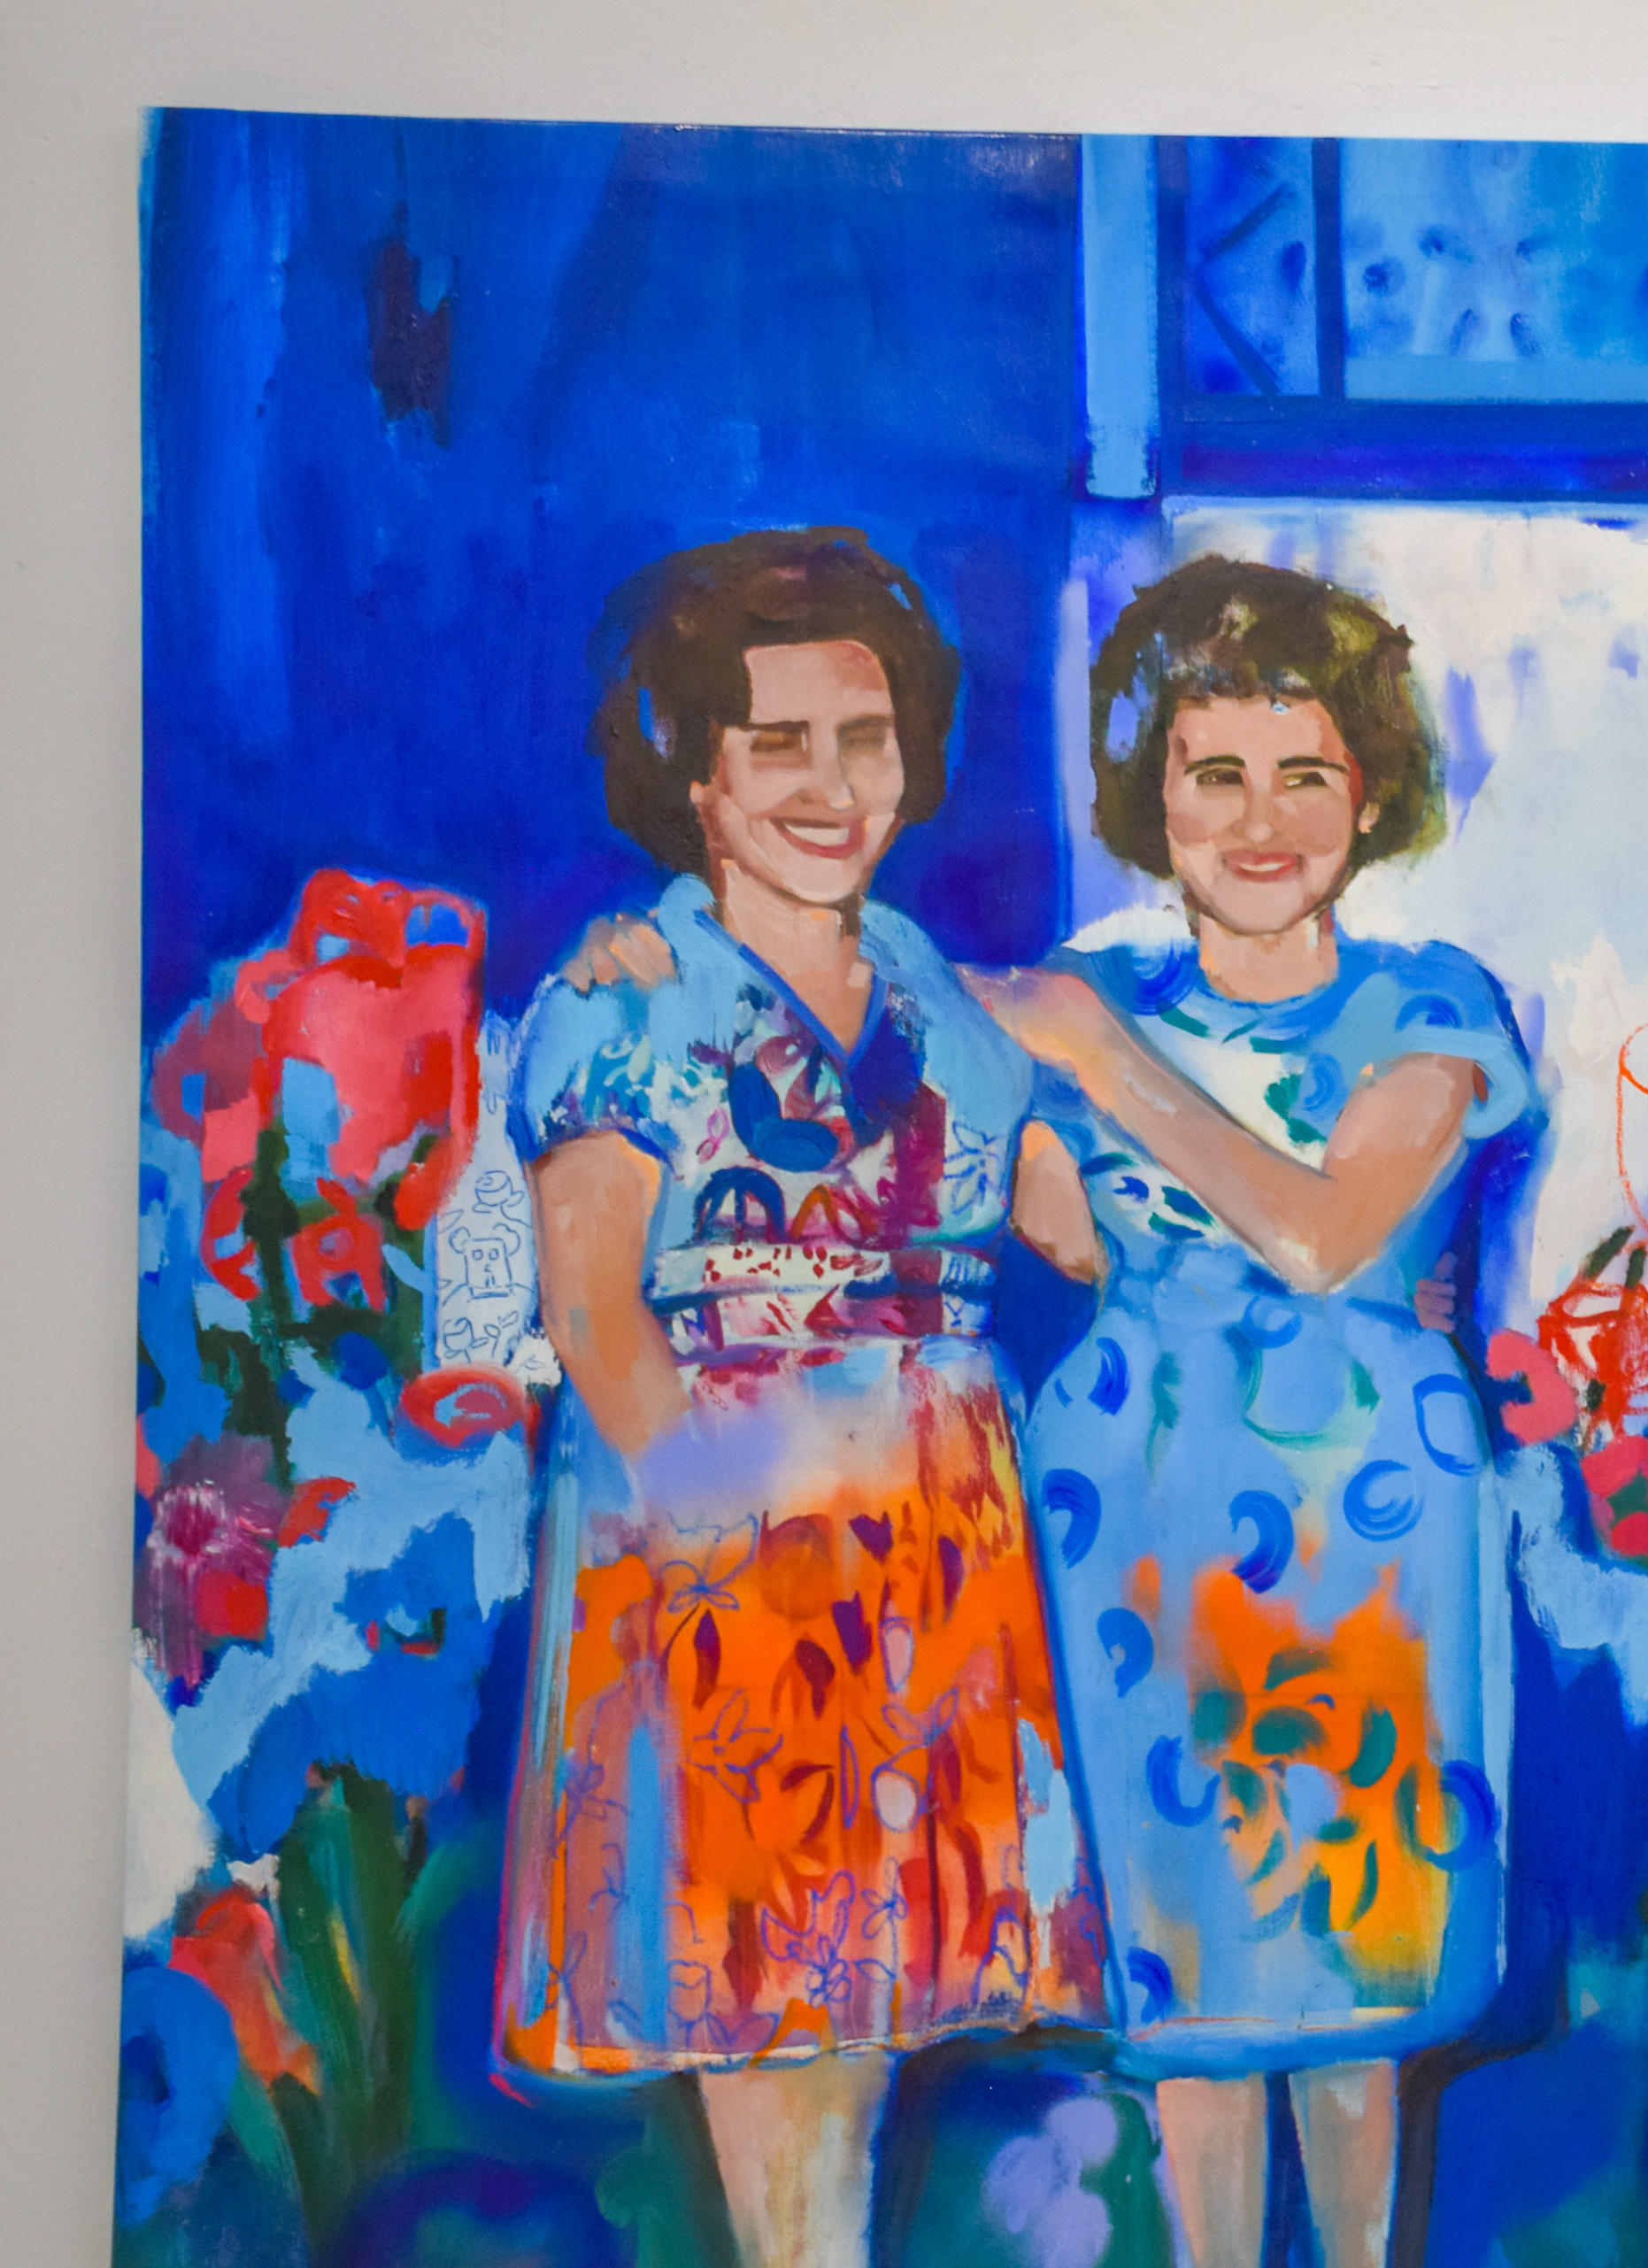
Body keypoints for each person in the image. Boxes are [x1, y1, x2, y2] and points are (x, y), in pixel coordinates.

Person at [497, 529, 1107, 2268]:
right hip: (731, 1542)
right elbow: (594, 1310)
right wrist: (724, 1539)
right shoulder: (626, 1000)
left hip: (930, 1544)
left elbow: (1086, 1231)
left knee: (866, 2024)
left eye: (865, 737)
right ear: (696, 774)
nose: (831, 786)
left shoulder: (947, 999)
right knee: (768, 2018)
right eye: (778, 744)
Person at [964, 557, 1535, 2268]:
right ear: (1155, 797)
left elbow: (1327, 1234)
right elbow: (1058, 1230)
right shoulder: (1093, 993)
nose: (1261, 819)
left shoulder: (1429, 1002)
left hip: (1363, 1522)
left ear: (1370, 795)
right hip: (1137, 1511)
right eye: (1216, 772)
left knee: (1351, 1986)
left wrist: (1098, 1063)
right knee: (1188, 1985)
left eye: (1305, 774)